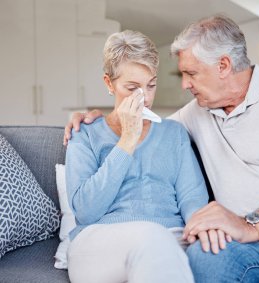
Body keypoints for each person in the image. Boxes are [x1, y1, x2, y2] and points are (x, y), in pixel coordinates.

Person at [64, 15, 259, 282]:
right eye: (133, 88)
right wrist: (94, 118)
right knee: (207, 259)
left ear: (224, 66)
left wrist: (248, 224)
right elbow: (142, 127)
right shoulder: (194, 113)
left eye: (190, 73)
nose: (184, 85)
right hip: (255, 249)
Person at [65, 29, 210, 283]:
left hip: (170, 237)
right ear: (109, 84)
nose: (145, 98)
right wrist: (127, 140)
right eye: (132, 87)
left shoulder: (173, 134)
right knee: (152, 237)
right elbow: (86, 211)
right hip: (99, 244)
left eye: (151, 85)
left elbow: (193, 200)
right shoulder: (85, 134)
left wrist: (203, 232)